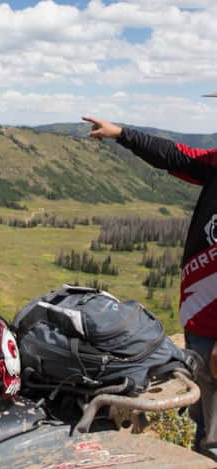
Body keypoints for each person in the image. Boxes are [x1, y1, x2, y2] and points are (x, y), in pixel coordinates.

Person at [83, 115, 217, 461]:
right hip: (201, 318)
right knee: (204, 416)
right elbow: (171, 154)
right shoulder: (215, 164)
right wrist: (121, 134)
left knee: (214, 436)